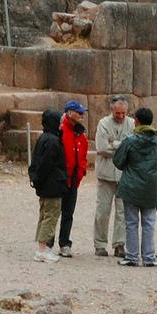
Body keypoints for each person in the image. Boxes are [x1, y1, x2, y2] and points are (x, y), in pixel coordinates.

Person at [113, 108, 157, 268]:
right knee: (149, 222)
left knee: (131, 222)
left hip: (131, 186)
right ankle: (149, 257)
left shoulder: (130, 140)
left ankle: (132, 256)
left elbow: (118, 161)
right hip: (151, 187)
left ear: (138, 121)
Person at [91, 95, 133, 257]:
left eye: (123, 113)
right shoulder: (103, 124)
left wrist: (113, 143)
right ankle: (100, 243)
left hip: (124, 175)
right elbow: (101, 147)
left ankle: (119, 243)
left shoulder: (131, 124)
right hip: (105, 174)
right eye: (118, 113)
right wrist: (121, 144)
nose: (121, 116)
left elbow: (132, 146)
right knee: (103, 211)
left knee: (122, 212)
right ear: (111, 111)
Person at [28, 109, 68, 264]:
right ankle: (42, 249)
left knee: (44, 215)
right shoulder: (52, 141)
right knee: (50, 216)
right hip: (52, 185)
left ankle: (42, 247)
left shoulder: (44, 138)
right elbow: (46, 164)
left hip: (46, 185)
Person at [57, 100, 89, 258]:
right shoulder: (61, 131)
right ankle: (47, 243)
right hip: (60, 179)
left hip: (74, 180)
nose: (82, 115)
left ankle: (64, 243)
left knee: (68, 213)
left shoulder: (81, 135)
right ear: (70, 113)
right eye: (79, 112)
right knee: (54, 211)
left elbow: (83, 155)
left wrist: (81, 172)